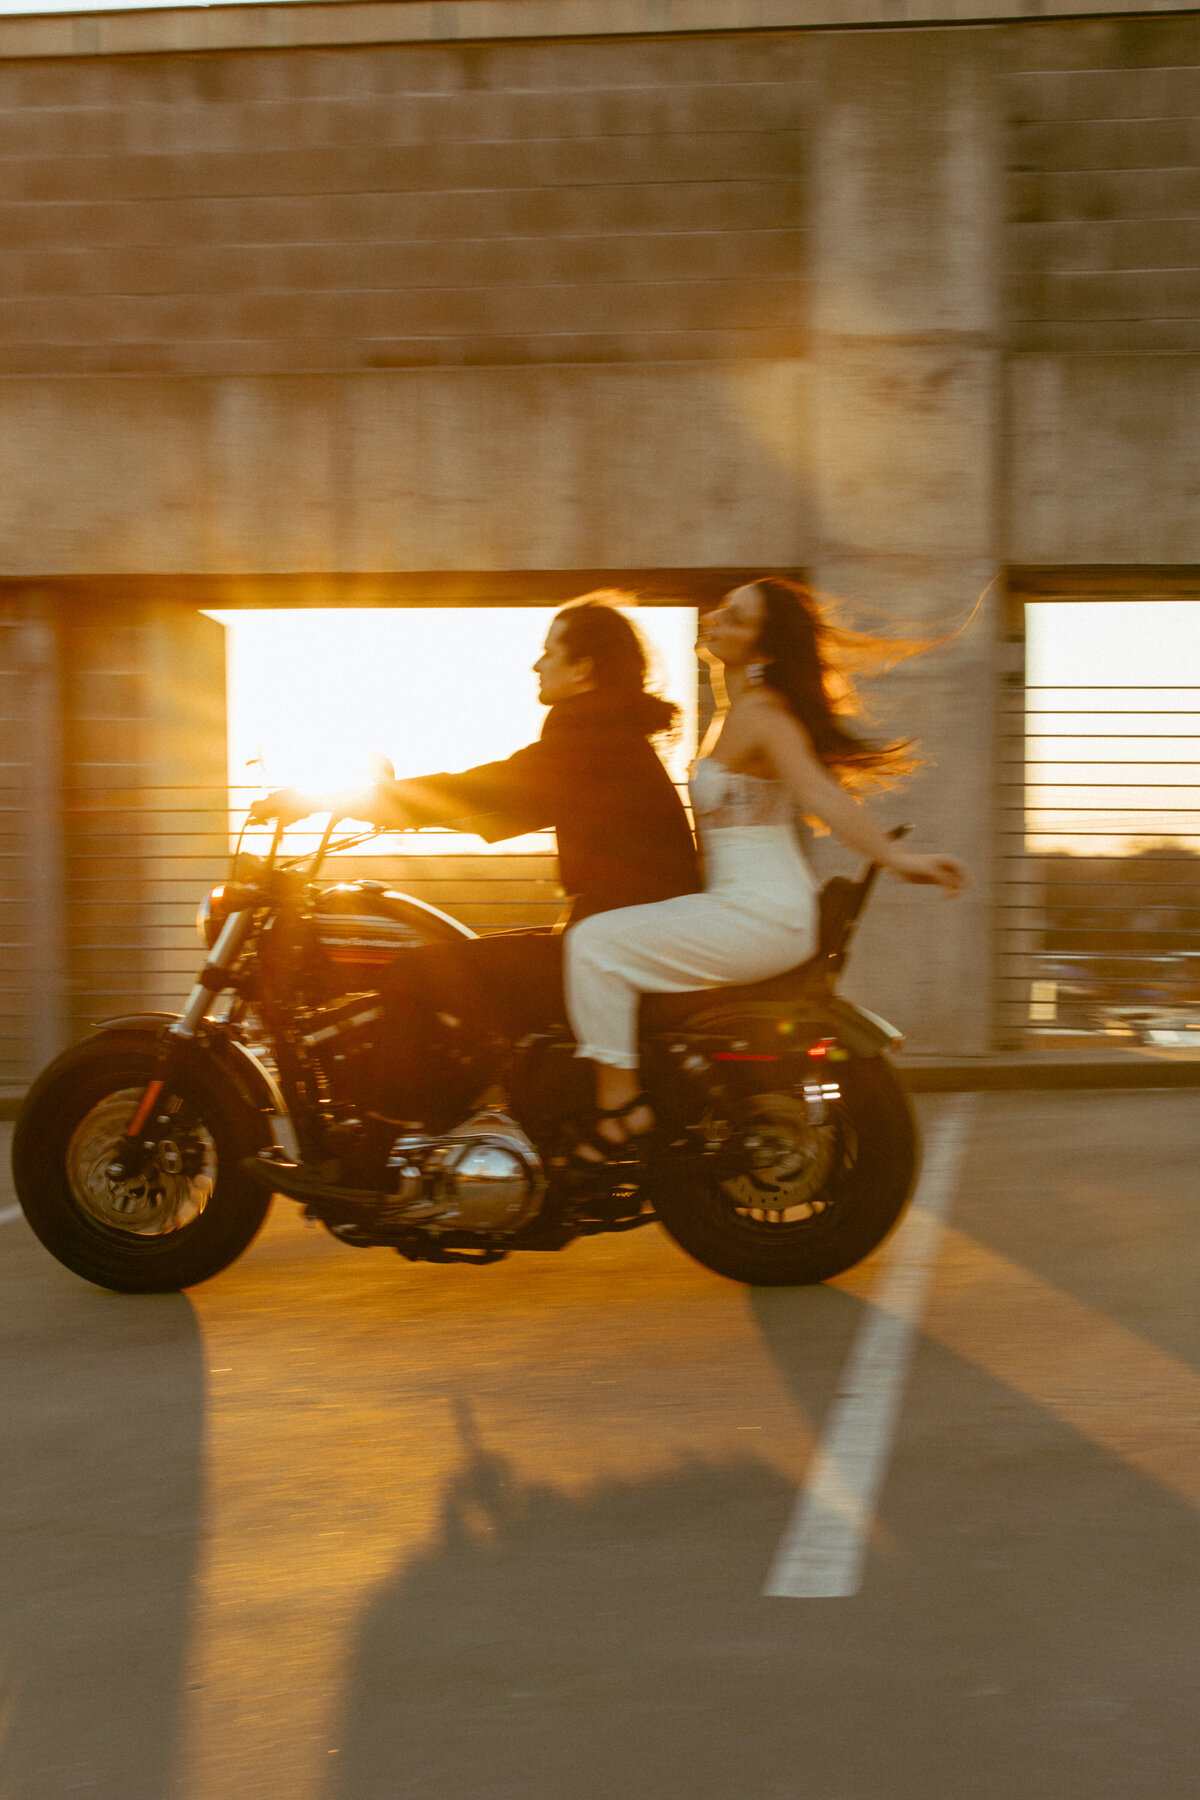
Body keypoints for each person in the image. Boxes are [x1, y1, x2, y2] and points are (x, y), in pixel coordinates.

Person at [250, 595, 700, 1175]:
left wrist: (338, 801)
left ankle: (381, 1150)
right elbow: (502, 800)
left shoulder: (593, 740)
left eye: (548, 653)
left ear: (583, 667)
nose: (536, 666)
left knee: (415, 975)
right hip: (616, 935)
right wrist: (388, 805)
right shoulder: (603, 737)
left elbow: (483, 790)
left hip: (614, 942)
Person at [563, 576, 969, 1166]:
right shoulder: (731, 714)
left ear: (764, 648)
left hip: (761, 913)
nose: (717, 620)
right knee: (609, 941)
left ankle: (619, 1108)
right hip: (742, 906)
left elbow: (819, 794)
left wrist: (897, 858)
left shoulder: (761, 714)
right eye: (721, 610)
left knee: (594, 947)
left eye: (737, 618)